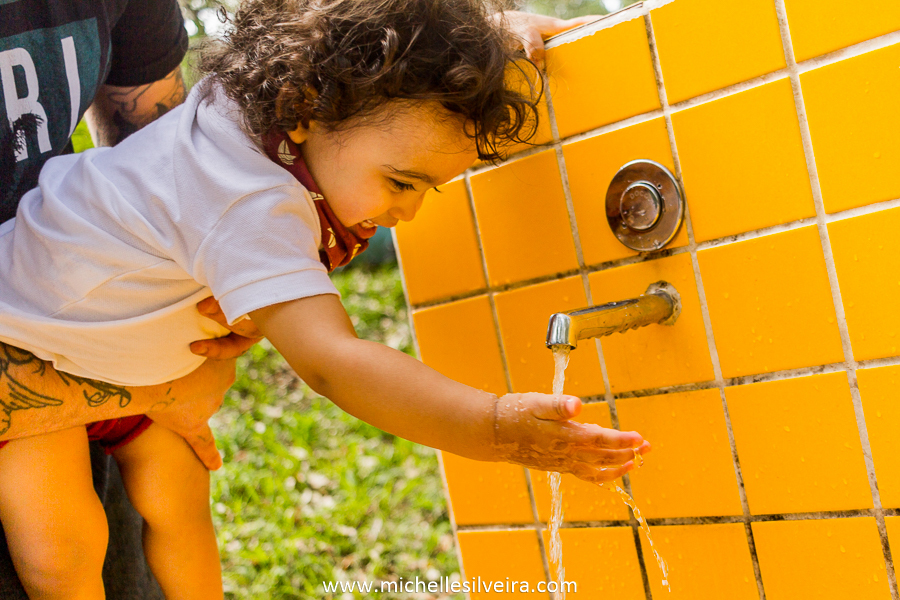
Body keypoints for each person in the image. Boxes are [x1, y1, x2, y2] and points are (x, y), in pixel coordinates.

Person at [0, 0, 641, 597]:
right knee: (63, 551)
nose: (408, 212)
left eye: (427, 190)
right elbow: (334, 362)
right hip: (26, 338)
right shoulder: (249, 199)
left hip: (127, 361)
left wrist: (479, 45)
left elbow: (334, 32)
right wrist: (494, 427)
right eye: (401, 182)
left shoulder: (262, 113)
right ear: (303, 107)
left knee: (180, 510)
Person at [0, 2, 259, 597]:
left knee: (181, 503)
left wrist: (206, 290)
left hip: (93, 303)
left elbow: (163, 152)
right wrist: (153, 386)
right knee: (59, 551)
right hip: (21, 327)